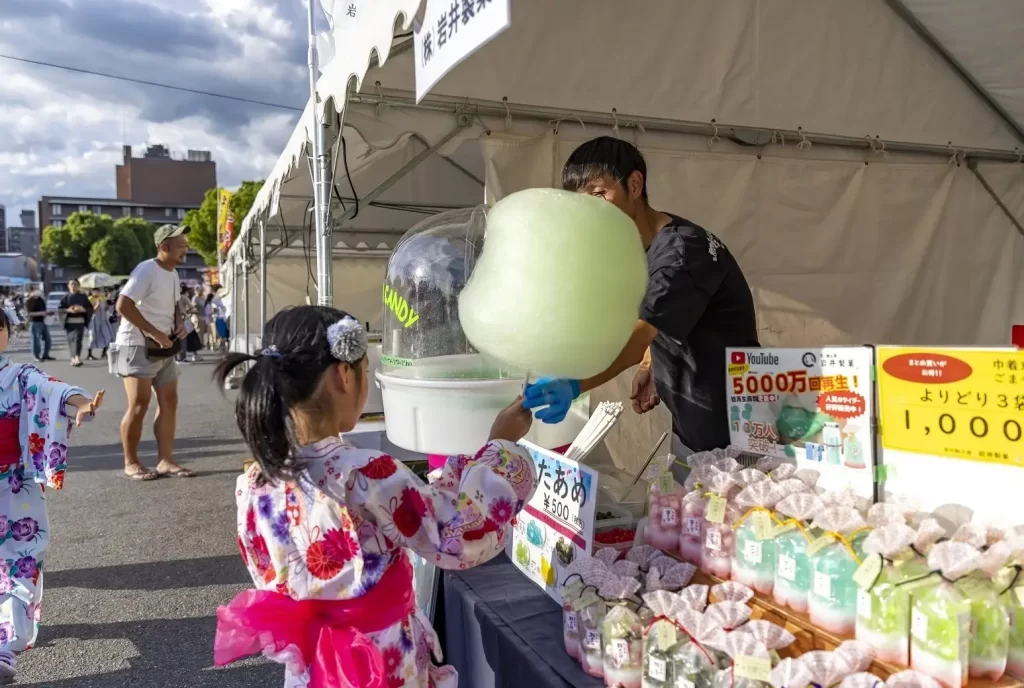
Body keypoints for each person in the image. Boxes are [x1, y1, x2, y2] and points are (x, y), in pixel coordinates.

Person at [212, 306, 536, 688]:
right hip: (379, 656)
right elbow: (455, 536)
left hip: (313, 661)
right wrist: (499, 449)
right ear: (344, 375)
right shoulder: (364, 472)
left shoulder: (256, 481)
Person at [523, 137, 760, 458]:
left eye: (599, 194)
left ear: (634, 185)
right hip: (692, 424)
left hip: (739, 430)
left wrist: (574, 383)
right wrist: (652, 364)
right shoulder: (637, 247)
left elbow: (636, 335)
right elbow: (668, 317)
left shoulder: (681, 252)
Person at [0, 306, 104, 683]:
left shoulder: (19, 375)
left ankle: (4, 647)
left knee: (22, 557)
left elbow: (53, 389)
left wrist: (81, 404)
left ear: (8, 333)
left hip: (14, 482)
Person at [113, 224, 195, 481]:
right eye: (181, 245)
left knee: (170, 400)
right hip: (136, 343)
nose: (186, 249)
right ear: (164, 247)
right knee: (139, 404)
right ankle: (131, 462)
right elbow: (122, 305)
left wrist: (179, 323)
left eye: (186, 244)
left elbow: (173, 306)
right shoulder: (146, 269)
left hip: (164, 344)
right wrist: (152, 332)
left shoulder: (173, 274)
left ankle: (165, 461)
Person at [59, 279, 93, 367]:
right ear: (68, 286)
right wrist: (68, 310)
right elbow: (60, 309)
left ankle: (77, 357)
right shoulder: (65, 297)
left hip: (79, 321)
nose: (73, 286)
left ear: (78, 286)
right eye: (71, 284)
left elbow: (90, 308)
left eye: (75, 284)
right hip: (69, 322)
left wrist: (83, 309)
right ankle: (73, 358)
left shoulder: (83, 297)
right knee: (71, 340)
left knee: (78, 339)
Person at [22, 289, 53, 362]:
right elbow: (28, 313)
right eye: (35, 291)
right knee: (36, 340)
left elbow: (44, 310)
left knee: (47, 339)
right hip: (34, 322)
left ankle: (46, 355)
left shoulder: (41, 299)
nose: (37, 292)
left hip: (43, 321)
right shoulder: (29, 301)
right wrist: (40, 313)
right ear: (31, 292)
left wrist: (48, 313)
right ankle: (37, 356)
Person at [86, 289, 114, 361]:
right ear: (92, 292)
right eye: (95, 291)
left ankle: (104, 352)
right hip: (94, 320)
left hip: (103, 319)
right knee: (93, 336)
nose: (97, 293)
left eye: (98, 291)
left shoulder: (102, 298)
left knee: (108, 335)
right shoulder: (90, 299)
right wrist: (97, 304)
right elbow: (92, 310)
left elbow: (106, 308)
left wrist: (109, 302)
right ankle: (89, 354)